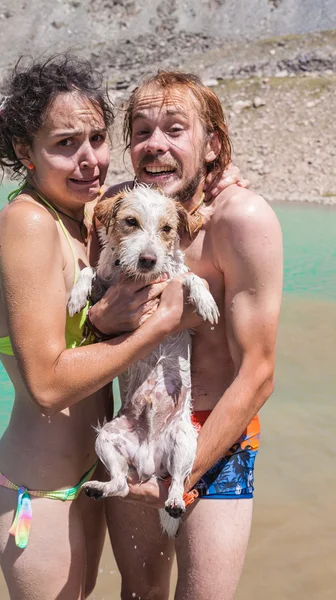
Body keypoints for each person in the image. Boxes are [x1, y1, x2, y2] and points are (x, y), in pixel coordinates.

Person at [0, 56, 203, 600]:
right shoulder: (27, 223)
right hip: (40, 487)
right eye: (64, 144)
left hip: (94, 476)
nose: (89, 161)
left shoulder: (86, 218)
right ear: (24, 153)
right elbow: (49, 386)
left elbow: (163, 201)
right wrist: (159, 325)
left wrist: (221, 173)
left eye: (98, 138)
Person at [89, 71, 283, 599]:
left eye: (175, 129)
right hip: (135, 428)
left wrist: (181, 477)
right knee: (139, 591)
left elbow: (260, 372)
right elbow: (88, 315)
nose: (156, 145)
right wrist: (100, 320)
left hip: (216, 438)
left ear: (212, 143)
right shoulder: (122, 217)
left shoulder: (240, 218)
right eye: (142, 131)